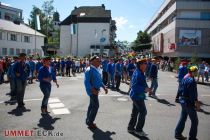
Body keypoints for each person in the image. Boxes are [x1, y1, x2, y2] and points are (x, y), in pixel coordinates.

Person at [175, 66, 201, 140]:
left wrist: (179, 98)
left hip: (183, 101)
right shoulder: (192, 80)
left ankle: (177, 134)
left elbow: (180, 89)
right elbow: (193, 94)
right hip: (189, 102)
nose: (197, 72)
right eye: (196, 71)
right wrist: (196, 103)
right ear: (192, 72)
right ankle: (192, 137)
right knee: (195, 121)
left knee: (183, 118)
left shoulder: (185, 78)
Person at [127, 58, 151, 137]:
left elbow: (142, 83)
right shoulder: (138, 74)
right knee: (143, 112)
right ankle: (138, 130)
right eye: (145, 63)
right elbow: (134, 86)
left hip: (136, 95)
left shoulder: (139, 72)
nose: (146, 65)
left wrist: (147, 88)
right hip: (137, 96)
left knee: (135, 112)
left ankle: (130, 128)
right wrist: (145, 89)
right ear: (140, 65)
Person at [84, 55, 108, 129]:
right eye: (98, 60)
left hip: (96, 90)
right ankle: (90, 122)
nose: (100, 62)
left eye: (99, 60)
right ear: (93, 61)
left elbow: (99, 80)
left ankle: (88, 120)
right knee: (96, 106)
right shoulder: (89, 70)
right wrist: (92, 90)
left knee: (91, 105)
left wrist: (104, 87)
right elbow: (86, 82)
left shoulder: (96, 69)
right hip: (92, 91)